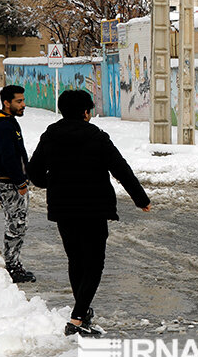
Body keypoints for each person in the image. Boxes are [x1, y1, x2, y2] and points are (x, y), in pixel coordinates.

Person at [26, 89, 150, 336]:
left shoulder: (50, 136)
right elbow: (121, 170)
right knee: (94, 263)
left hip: (64, 209)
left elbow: (34, 173)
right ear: (85, 112)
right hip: (94, 209)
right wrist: (140, 199)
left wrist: (56, 184)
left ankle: (82, 311)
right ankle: (78, 318)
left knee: (76, 260)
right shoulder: (97, 137)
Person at [0, 84, 34, 283]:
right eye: (18, 101)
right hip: (10, 183)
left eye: (23, 100)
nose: (23, 105)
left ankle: (14, 264)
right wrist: (20, 182)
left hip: (11, 182)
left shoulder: (8, 122)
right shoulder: (3, 126)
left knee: (17, 224)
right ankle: (13, 268)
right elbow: (8, 157)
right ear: (6, 103)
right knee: (16, 225)